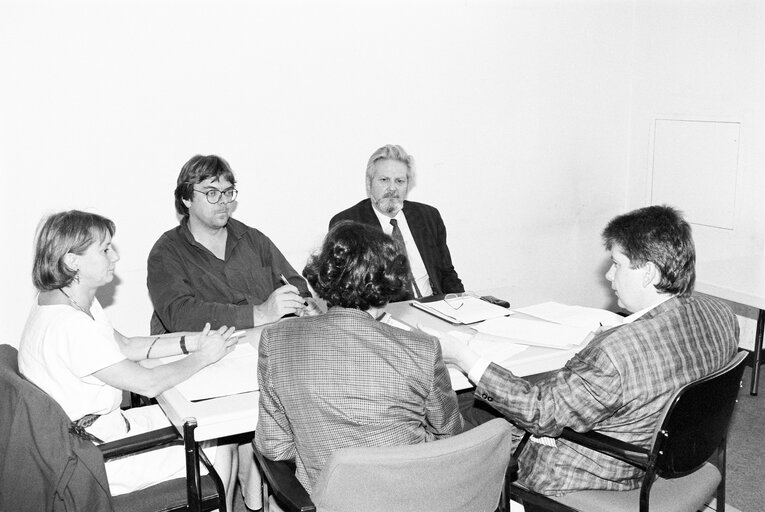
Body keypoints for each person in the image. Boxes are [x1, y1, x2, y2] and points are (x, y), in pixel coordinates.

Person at [436, 205, 739, 496]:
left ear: (648, 273)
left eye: (617, 264)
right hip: (681, 450)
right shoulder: (719, 314)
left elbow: (541, 412)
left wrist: (465, 357)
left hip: (602, 469)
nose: (609, 275)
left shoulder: (618, 352)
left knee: (458, 411)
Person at [18, 210, 239, 508]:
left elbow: (126, 345)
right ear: (73, 261)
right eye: (105, 249)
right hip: (99, 457)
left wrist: (191, 342)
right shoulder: (70, 327)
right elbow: (147, 384)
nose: (115, 257)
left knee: (207, 427)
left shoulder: (66, 299)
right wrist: (202, 358)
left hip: (104, 430)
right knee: (219, 443)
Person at [255, 221, 464, 494]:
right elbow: (450, 437)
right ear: (387, 286)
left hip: (329, 500)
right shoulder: (423, 349)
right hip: (413, 497)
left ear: (323, 277)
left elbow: (275, 447)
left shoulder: (276, 340)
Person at [147, 154, 319, 335]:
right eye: (211, 193)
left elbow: (294, 284)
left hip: (260, 347)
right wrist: (259, 313)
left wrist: (303, 304)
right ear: (186, 198)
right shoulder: (167, 252)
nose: (223, 201)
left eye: (228, 192)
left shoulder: (252, 238)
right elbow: (180, 314)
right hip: (201, 354)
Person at [329, 144, 463, 299]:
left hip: (433, 307)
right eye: (384, 180)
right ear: (369, 183)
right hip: (382, 313)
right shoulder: (347, 224)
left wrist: (461, 301)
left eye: (399, 181)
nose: (392, 188)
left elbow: (446, 272)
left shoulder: (428, 216)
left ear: (408, 184)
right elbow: (343, 289)